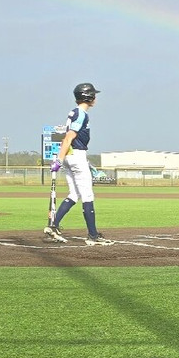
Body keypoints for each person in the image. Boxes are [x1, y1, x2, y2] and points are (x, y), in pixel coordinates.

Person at [43, 83, 112, 245]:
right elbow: (68, 138)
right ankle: (93, 235)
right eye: (93, 95)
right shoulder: (81, 114)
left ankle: (53, 225)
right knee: (87, 195)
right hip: (75, 155)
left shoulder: (73, 112)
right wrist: (59, 160)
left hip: (71, 155)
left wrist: (62, 159)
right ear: (88, 97)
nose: (95, 98)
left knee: (74, 194)